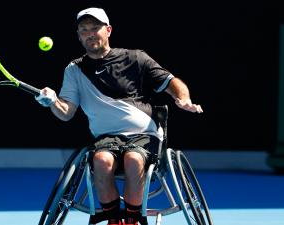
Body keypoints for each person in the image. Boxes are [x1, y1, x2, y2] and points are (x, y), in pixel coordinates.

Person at [35, 7, 203, 225]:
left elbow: (172, 82)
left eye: (95, 28)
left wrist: (184, 99)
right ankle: (114, 220)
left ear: (108, 30)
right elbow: (66, 113)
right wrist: (52, 102)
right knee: (101, 161)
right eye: (84, 30)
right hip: (106, 137)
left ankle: (132, 220)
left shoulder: (135, 58)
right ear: (78, 36)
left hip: (144, 134)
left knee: (133, 159)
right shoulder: (74, 70)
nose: (90, 34)